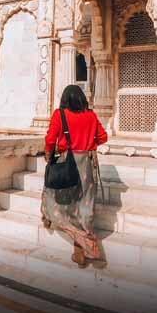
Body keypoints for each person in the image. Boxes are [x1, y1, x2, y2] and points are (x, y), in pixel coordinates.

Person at [41, 85, 108, 268]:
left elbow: (50, 140)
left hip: (66, 163)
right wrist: (88, 143)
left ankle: (81, 244)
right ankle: (82, 246)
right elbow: (103, 137)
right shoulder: (91, 115)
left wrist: (48, 155)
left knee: (57, 201)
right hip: (85, 165)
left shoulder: (60, 114)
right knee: (84, 204)